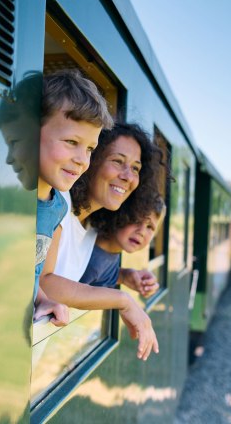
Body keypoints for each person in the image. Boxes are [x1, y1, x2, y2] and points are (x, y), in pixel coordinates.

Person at [40, 122, 169, 361]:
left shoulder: (90, 229)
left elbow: (84, 273)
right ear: (93, 159)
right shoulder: (60, 203)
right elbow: (44, 283)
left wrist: (123, 275)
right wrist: (123, 301)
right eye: (118, 161)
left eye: (136, 168)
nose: (127, 176)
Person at [0, 70, 114, 327]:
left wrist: (42, 298)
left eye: (90, 149)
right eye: (71, 141)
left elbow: (32, 273)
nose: (82, 159)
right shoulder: (8, 201)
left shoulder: (58, 206)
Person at [80, 193, 165, 297]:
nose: (142, 232)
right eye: (136, 220)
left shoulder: (110, 254)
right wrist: (123, 301)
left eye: (150, 227)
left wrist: (124, 276)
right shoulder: (91, 261)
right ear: (120, 214)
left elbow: (105, 273)